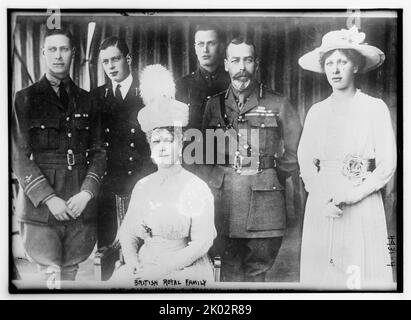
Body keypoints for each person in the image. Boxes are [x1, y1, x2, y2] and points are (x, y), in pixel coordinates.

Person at [297, 26, 396, 290]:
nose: (335, 69)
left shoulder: (375, 108)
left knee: (360, 272)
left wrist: (355, 194)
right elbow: (305, 161)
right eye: (330, 63)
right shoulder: (317, 112)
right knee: (324, 273)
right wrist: (320, 196)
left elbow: (387, 163)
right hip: (324, 202)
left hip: (362, 201)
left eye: (342, 61)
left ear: (356, 65)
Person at [202, 36, 302, 282]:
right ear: (226, 64)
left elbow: (296, 150)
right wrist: (216, 183)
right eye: (235, 60)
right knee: (226, 273)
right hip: (223, 206)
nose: (241, 67)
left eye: (247, 60)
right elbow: (203, 153)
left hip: (264, 206)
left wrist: (271, 174)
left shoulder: (277, 103)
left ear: (256, 64)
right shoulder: (214, 105)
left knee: (257, 276)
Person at [11, 27, 106, 282]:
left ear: (73, 53)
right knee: (50, 277)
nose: (58, 55)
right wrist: (49, 198)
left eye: (64, 49)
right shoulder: (25, 99)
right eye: (52, 49)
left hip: (79, 203)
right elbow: (18, 156)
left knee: (71, 274)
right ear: (43, 53)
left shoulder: (88, 101)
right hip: (41, 207)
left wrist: (87, 193)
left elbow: (99, 152)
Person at [110, 65, 216, 287]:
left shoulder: (196, 187)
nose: (163, 147)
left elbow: (201, 242)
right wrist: (132, 261)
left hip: (183, 268)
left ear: (181, 143)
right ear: (149, 147)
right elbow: (128, 233)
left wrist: (161, 270)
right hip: (145, 263)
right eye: (157, 141)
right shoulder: (143, 186)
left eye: (169, 140)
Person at [91, 37, 156, 249]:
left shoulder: (149, 92)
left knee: (144, 251)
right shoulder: (96, 97)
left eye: (115, 59)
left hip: (142, 184)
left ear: (128, 58)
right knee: (108, 251)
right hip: (108, 189)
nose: (110, 66)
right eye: (105, 61)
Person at [176, 23, 230, 131]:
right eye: (200, 44)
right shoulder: (181, 86)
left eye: (211, 43)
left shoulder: (232, 83)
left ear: (221, 47)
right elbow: (177, 130)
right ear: (195, 48)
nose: (205, 50)